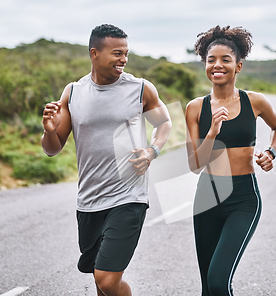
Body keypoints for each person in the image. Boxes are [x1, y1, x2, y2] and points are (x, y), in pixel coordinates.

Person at [41, 24, 171, 296]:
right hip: (89, 200)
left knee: (108, 279)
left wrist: (152, 150)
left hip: (129, 197)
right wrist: (49, 131)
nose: (123, 59)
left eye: (126, 53)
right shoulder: (73, 93)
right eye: (116, 53)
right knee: (101, 282)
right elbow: (52, 149)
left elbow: (164, 122)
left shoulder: (140, 89)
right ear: (94, 53)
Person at [185, 25, 276, 296]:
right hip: (207, 196)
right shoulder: (195, 108)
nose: (217, 65)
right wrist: (212, 133)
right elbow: (195, 165)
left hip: (242, 197)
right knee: (208, 287)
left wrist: (271, 152)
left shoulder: (255, 102)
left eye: (225, 59)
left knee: (219, 281)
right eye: (211, 60)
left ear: (238, 66)